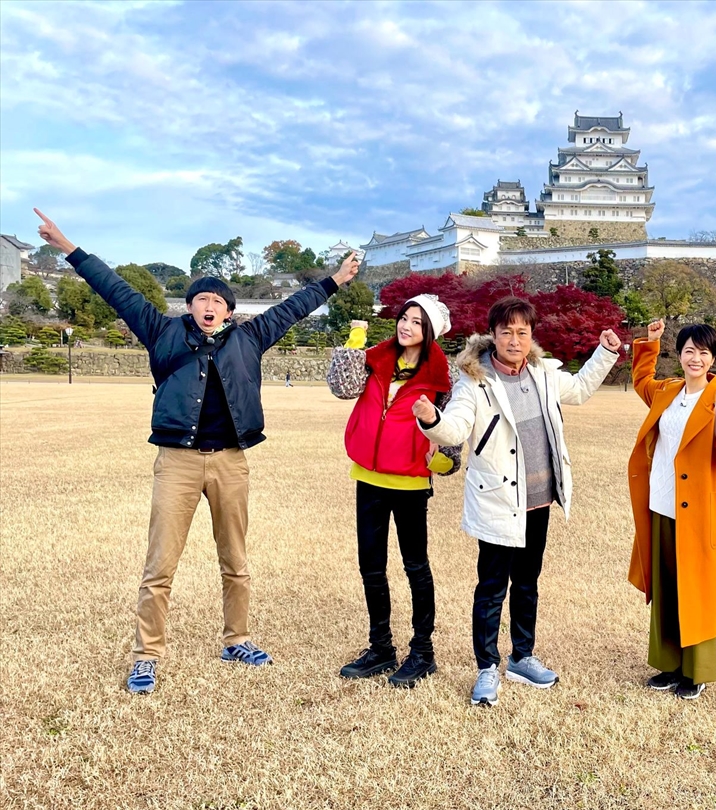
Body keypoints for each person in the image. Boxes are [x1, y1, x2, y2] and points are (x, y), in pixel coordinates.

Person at [34, 208, 361, 694]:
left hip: (231, 459)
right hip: (177, 462)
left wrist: (333, 280)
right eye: (200, 299)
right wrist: (67, 248)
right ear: (190, 307)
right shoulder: (162, 331)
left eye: (217, 300)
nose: (208, 306)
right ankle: (147, 654)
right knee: (160, 563)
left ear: (230, 310)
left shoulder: (251, 337)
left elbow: (294, 307)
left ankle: (237, 640)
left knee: (236, 559)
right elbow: (115, 288)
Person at [413, 297, 621, 706]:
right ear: (492, 335)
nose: (514, 339)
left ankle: (523, 657)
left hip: (538, 500)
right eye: (506, 331)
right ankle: (487, 666)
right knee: (492, 587)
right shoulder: (475, 381)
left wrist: (605, 352)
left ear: (531, 336)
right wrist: (431, 421)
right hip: (498, 501)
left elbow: (578, 390)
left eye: (522, 332)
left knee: (527, 583)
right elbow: (455, 428)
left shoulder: (543, 373)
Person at [327, 298, 460, 687]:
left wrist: (436, 456)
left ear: (430, 331)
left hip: (410, 485)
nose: (406, 326)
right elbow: (342, 387)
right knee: (371, 567)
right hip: (367, 478)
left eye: (417, 322)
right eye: (404, 318)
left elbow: (451, 455)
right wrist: (356, 336)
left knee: (415, 567)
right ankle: (381, 648)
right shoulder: (376, 360)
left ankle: (422, 652)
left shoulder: (441, 378)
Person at [627, 319, 716, 700]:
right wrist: (649, 344)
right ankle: (669, 665)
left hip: (697, 511)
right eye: (689, 350)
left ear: (713, 358)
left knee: (695, 590)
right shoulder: (667, 391)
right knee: (666, 587)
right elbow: (641, 380)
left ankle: (696, 671)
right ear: (680, 354)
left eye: (704, 352)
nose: (696, 358)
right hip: (660, 505)